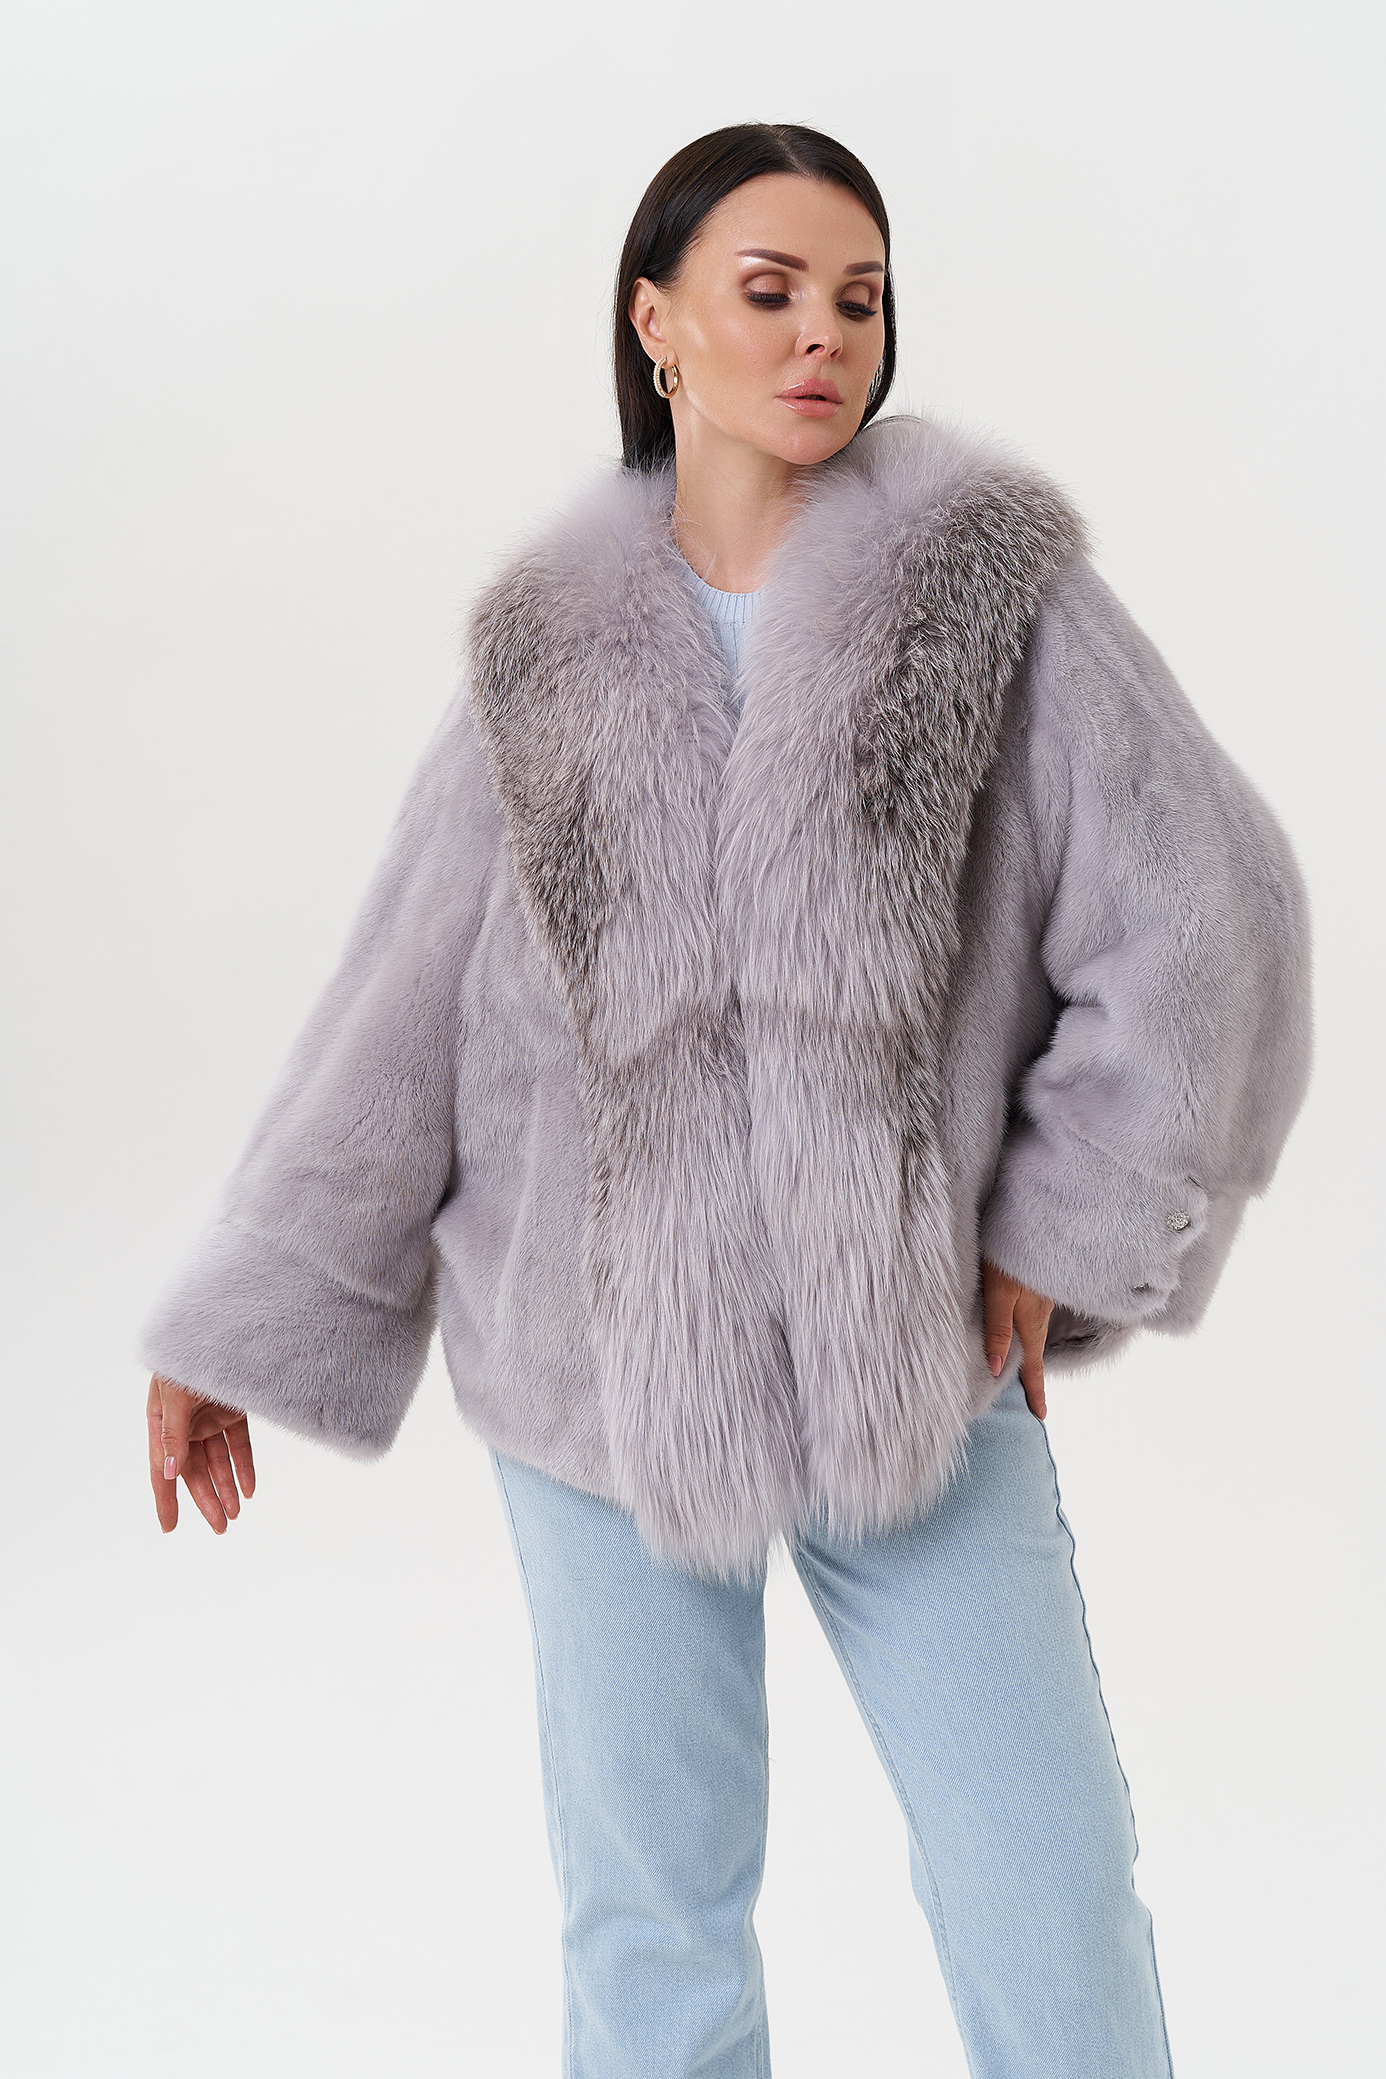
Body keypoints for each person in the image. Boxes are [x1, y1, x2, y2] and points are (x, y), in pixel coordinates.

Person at [139, 123, 1313, 2078]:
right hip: (594, 1376)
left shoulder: (990, 600)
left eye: (860, 298)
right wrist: (240, 1322)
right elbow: (397, 1013)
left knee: (1045, 1880)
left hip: (911, 1366)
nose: (822, 335)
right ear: (657, 322)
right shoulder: (546, 649)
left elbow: (1211, 916)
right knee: (654, 1917)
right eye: (769, 292)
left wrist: (1060, 1225)